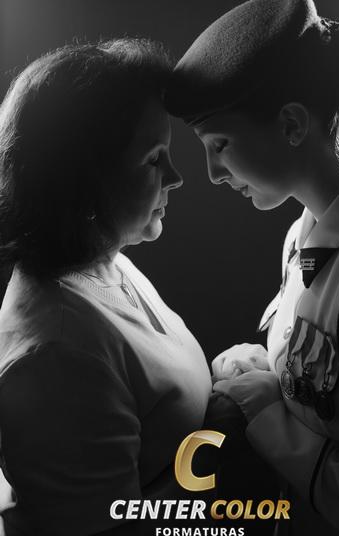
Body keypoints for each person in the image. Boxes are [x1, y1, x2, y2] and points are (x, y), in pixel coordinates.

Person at [165, 0, 339, 535]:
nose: (213, 174)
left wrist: (271, 419)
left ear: (293, 125)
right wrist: (266, 369)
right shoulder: (302, 236)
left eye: (219, 145)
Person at [0, 39, 212, 535]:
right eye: (154, 159)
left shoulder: (105, 262)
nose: (176, 178)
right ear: (83, 179)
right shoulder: (56, 357)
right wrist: (232, 432)